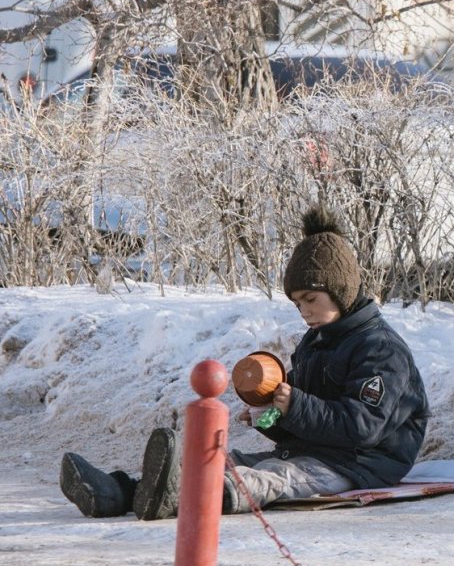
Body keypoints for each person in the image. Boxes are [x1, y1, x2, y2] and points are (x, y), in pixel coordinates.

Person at [60, 206, 430, 520]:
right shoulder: (316, 342)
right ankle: (118, 491)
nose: (304, 311)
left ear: (341, 291)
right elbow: (304, 421)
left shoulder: (380, 350)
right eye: (297, 303)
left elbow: (361, 427)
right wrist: (269, 416)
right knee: (225, 459)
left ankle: (182, 498)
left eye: (311, 299)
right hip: (314, 451)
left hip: (359, 465)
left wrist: (296, 404)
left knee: (271, 477)